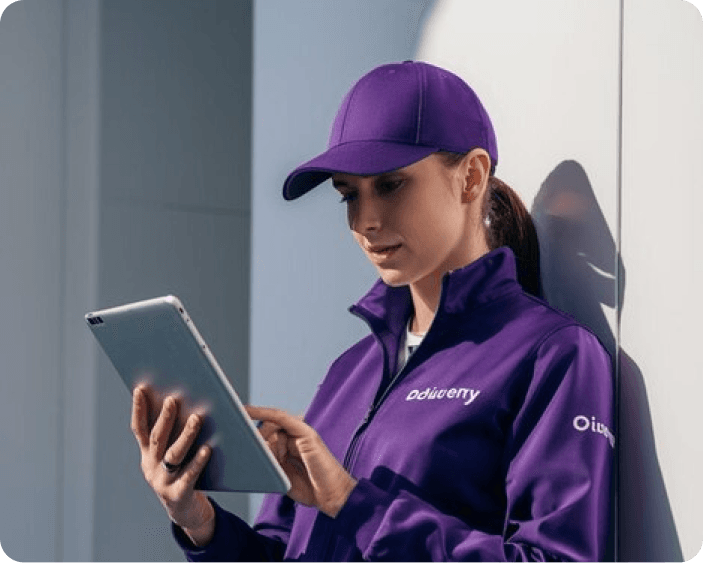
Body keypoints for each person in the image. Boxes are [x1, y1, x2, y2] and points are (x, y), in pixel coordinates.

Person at [130, 61, 614, 562]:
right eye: (348, 195)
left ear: (471, 177)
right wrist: (200, 524)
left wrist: (351, 502)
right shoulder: (350, 371)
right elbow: (285, 550)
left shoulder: (551, 355)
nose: (366, 220)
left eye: (390, 185)